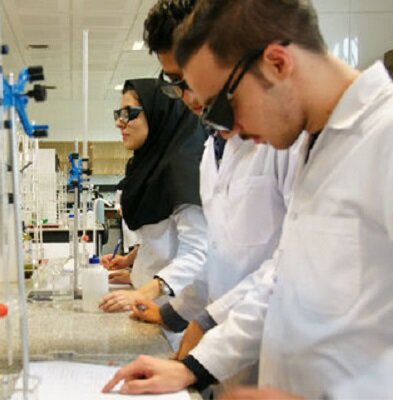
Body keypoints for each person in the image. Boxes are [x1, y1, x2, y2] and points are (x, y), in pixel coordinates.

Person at [103, 0, 393, 398]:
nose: (225, 129)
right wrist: (195, 367)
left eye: (222, 106)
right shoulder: (318, 145)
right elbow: (281, 278)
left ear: (277, 63)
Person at [131, 0, 301, 370]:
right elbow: (220, 255)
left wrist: (207, 324)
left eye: (191, 79)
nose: (190, 96)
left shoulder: (291, 141)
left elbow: (293, 265)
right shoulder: (213, 149)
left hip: (279, 351)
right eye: (176, 83)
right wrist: (175, 314)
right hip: (231, 355)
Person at [99, 78, 208, 312]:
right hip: (148, 298)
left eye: (129, 113)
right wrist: (132, 267)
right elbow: (162, 234)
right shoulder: (150, 167)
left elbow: (198, 251)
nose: (119, 122)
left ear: (158, 114)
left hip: (173, 309)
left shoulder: (181, 169)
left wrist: (143, 292)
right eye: (119, 114)